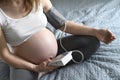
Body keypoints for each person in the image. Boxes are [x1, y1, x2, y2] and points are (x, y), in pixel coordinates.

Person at [0, 0, 116, 80]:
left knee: (92, 41)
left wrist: (95, 31)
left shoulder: (38, 1)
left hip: (56, 52)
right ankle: (40, 71)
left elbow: (63, 24)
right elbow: (5, 54)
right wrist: (35, 68)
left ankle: (53, 65)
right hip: (26, 62)